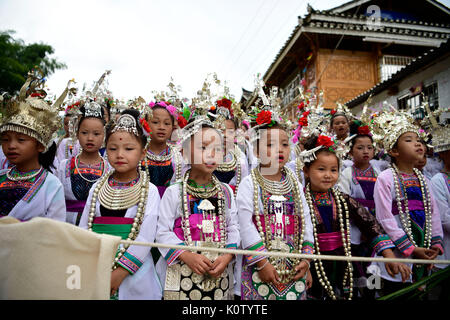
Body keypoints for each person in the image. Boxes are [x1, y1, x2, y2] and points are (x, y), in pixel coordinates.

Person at [300, 132, 408, 300]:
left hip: (344, 261)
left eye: (334, 170)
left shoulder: (343, 199)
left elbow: (369, 223)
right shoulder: (300, 200)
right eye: (321, 169)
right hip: (313, 263)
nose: (328, 175)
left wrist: (388, 255)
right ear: (306, 171)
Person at [79, 109, 161, 300]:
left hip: (134, 271)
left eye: (128, 149)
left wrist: (119, 273)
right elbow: (84, 228)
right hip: (96, 265)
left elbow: (145, 237)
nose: (120, 154)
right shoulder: (97, 188)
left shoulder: (150, 190)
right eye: (113, 149)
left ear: (143, 153)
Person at [156, 115, 239, 300]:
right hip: (180, 273)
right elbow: (162, 231)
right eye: (203, 148)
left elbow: (233, 227)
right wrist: (186, 255)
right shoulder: (174, 192)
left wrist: (226, 257)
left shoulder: (225, 191)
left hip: (218, 273)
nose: (211, 154)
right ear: (185, 153)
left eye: (217, 149)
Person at [236, 108, 314, 300]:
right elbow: (245, 224)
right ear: (256, 151)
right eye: (271, 144)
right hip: (260, 265)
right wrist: (262, 262)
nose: (280, 150)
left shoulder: (295, 182)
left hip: (293, 263)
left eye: (285, 144)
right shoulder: (249, 183)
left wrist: (306, 259)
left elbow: (305, 219)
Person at [371, 109, 444, 296]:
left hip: (423, 244)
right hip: (398, 250)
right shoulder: (386, 178)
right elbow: (384, 217)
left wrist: (436, 241)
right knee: (398, 291)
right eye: (409, 140)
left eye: (418, 140)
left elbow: (433, 213)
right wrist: (409, 247)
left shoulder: (424, 180)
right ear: (394, 151)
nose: (418, 143)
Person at [0, 71, 66, 221]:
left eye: (21, 139)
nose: (11, 145)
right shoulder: (1, 176)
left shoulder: (52, 185)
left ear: (40, 146)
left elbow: (55, 232)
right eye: (5, 139)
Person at [56, 101, 110, 225]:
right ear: (77, 133)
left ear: (104, 136)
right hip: (66, 225)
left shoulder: (109, 169)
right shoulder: (64, 166)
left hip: (97, 225)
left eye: (96, 134)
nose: (90, 138)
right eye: (84, 133)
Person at [141, 101, 184, 198]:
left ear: (173, 127)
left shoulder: (177, 157)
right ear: (146, 124)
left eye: (167, 123)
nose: (161, 127)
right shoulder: (138, 155)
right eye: (155, 122)